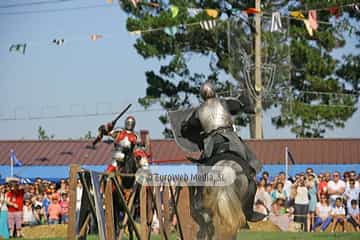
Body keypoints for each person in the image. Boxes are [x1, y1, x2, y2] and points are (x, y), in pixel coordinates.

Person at [178, 81, 263, 222]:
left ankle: (200, 205)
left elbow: (187, 129)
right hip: (231, 140)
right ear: (214, 91)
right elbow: (239, 106)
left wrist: (185, 127)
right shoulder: (224, 103)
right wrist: (245, 101)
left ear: (202, 95)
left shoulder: (198, 111)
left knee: (202, 172)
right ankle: (248, 212)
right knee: (250, 169)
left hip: (211, 143)